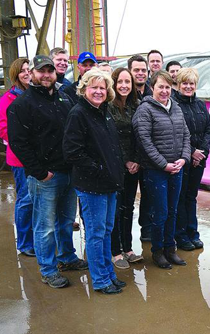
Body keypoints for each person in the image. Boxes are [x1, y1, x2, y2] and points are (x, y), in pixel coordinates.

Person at [8, 55, 87, 289]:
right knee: (44, 226)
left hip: (69, 171)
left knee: (64, 221)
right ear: (32, 73)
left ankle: (67, 257)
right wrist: (39, 172)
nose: (46, 75)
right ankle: (48, 269)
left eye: (50, 71)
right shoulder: (21, 105)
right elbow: (18, 143)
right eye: (41, 71)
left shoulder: (64, 98)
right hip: (46, 176)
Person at [63, 69, 126, 294]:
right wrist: (98, 170)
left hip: (109, 184)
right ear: (84, 89)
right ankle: (100, 280)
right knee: (96, 233)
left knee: (107, 230)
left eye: (102, 87)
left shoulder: (104, 111)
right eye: (94, 87)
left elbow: (112, 147)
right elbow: (73, 152)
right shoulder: (78, 113)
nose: (99, 91)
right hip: (92, 186)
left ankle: (109, 274)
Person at [132, 70, 190, 269]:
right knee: (161, 212)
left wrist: (183, 158)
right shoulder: (145, 110)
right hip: (156, 171)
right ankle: (157, 250)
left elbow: (186, 135)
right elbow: (145, 141)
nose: (164, 91)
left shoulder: (176, 108)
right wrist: (163, 164)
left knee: (173, 210)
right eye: (160, 87)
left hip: (177, 168)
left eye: (168, 87)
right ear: (152, 88)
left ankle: (170, 248)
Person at [173, 68, 210, 251]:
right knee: (180, 197)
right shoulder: (174, 105)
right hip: (183, 158)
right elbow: (176, 132)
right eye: (185, 83)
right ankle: (180, 235)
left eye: (191, 84)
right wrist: (191, 152)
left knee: (191, 196)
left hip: (199, 159)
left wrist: (202, 152)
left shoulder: (200, 104)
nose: (188, 87)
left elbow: (208, 129)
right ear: (178, 85)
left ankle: (193, 232)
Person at [108, 68, 143, 269]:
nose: (124, 86)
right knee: (115, 209)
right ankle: (115, 251)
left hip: (133, 166)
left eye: (127, 82)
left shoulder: (136, 106)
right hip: (115, 165)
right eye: (120, 82)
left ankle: (128, 248)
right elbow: (111, 139)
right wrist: (125, 161)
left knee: (128, 207)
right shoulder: (108, 107)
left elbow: (141, 136)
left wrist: (136, 160)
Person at [0, 58, 34, 256]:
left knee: (39, 201)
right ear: (15, 74)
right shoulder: (7, 100)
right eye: (22, 71)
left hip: (39, 158)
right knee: (25, 199)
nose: (27, 73)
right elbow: (4, 129)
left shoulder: (36, 94)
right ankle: (25, 242)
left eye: (29, 69)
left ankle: (37, 238)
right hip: (20, 159)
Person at [128, 54, 153, 241]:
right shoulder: (123, 96)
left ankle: (147, 232)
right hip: (129, 159)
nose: (140, 73)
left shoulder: (152, 94)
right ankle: (124, 240)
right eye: (136, 70)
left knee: (149, 197)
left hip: (149, 158)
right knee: (126, 202)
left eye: (143, 70)